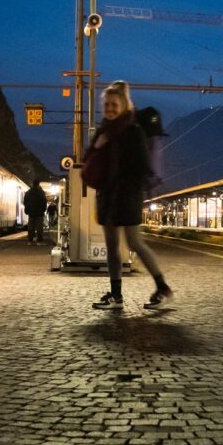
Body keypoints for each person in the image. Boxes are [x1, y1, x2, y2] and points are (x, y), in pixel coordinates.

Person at [84, 80, 173, 310]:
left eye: (114, 105)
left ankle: (162, 287)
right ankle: (116, 296)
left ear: (123, 105)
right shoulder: (103, 130)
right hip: (107, 195)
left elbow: (142, 166)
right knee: (112, 245)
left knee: (134, 242)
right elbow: (88, 160)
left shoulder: (133, 131)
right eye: (107, 105)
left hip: (127, 195)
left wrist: (124, 187)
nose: (110, 109)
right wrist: (97, 146)